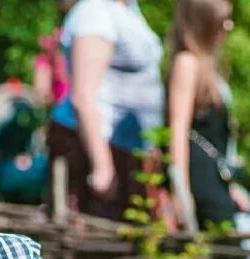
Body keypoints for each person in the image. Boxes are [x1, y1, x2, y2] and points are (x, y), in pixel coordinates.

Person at [47, 0, 164, 220]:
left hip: (127, 150)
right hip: (97, 149)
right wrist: (102, 167)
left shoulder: (126, 9)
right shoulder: (94, 12)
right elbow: (84, 96)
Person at [166, 0, 250, 233]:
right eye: (222, 20)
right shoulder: (187, 63)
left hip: (214, 174)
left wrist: (230, 185)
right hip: (198, 176)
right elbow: (178, 129)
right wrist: (180, 191)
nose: (229, 26)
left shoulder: (209, 66)